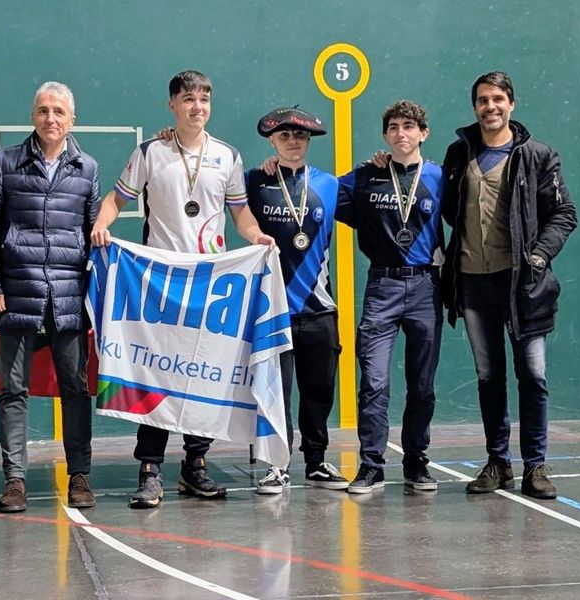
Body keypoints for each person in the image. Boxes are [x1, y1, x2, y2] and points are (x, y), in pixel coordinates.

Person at [91, 70, 274, 508]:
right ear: (172, 105)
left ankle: (195, 466)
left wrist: (257, 237)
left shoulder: (227, 157)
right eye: (188, 99)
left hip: (209, 283)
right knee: (157, 370)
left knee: (202, 374)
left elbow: (241, 215)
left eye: (204, 99)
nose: (198, 106)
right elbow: (117, 200)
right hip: (159, 282)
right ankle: (150, 469)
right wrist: (100, 224)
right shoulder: (150, 152)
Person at [440, 71, 577, 499]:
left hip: (525, 286)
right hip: (474, 284)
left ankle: (535, 466)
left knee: (533, 377)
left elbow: (564, 213)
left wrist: (537, 256)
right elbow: (447, 208)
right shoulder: (458, 154)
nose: (490, 107)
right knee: (489, 376)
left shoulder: (538, 155)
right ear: (475, 107)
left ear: (511, 104)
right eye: (482, 100)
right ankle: (498, 462)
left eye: (498, 99)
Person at [0, 81, 100, 513]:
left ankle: (79, 476)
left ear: (72, 120)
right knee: (13, 390)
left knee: (76, 389)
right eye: (44, 110)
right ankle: (15, 482)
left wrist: (96, 297)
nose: (51, 119)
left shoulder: (87, 168)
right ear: (33, 116)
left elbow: (93, 234)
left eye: (59, 112)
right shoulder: (4, 162)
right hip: (15, 293)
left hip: (68, 296)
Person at [336, 100, 445, 494]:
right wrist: (269, 172)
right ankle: (370, 466)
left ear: (423, 133)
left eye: (409, 126)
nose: (401, 133)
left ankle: (416, 462)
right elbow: (313, 189)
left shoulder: (438, 177)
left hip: (425, 288)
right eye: (394, 127)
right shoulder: (366, 176)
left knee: (422, 385)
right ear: (386, 135)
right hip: (381, 286)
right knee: (375, 381)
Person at [246, 107, 348, 495]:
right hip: (273, 311)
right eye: (285, 136)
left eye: (300, 136)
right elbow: (209, 188)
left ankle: (317, 461)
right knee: (276, 394)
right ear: (272, 141)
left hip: (319, 308)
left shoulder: (330, 184)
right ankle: (277, 466)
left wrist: (383, 162)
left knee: (319, 390)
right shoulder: (255, 181)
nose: (293, 141)